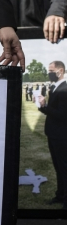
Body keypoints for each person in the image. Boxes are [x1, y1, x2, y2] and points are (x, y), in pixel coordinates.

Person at [38, 61, 67, 209]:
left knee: (63, 168)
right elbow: (53, 112)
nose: (49, 73)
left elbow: (62, 115)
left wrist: (46, 106)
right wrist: (43, 107)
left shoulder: (64, 89)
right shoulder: (55, 87)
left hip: (61, 135)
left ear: (60, 71)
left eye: (51, 70)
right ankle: (60, 195)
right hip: (53, 133)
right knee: (58, 167)